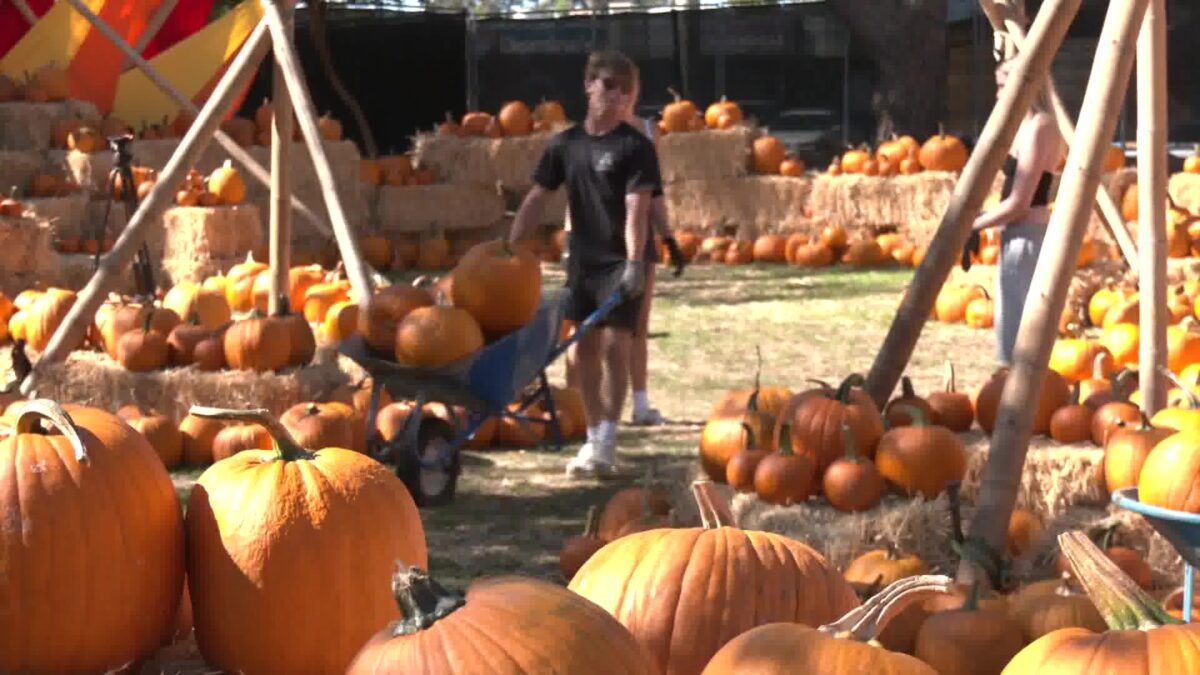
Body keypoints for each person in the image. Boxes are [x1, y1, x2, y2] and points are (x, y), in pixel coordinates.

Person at [507, 50, 682, 479]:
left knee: (616, 346)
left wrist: (637, 262)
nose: (616, 95)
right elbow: (536, 200)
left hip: (623, 260)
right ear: (588, 85)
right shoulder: (565, 145)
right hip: (583, 263)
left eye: (626, 89)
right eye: (608, 84)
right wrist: (509, 247)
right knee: (584, 349)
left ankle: (606, 439)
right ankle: (592, 435)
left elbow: (640, 207)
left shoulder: (635, 146)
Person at [970, 56, 1064, 365]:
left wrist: (973, 225)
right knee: (1009, 325)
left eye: (1003, 86)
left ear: (1025, 85)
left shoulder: (1041, 126)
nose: (998, 94)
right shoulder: (1024, 126)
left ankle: (1018, 403)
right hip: (1016, 234)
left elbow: (1021, 202)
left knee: (1016, 337)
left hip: (1028, 236)